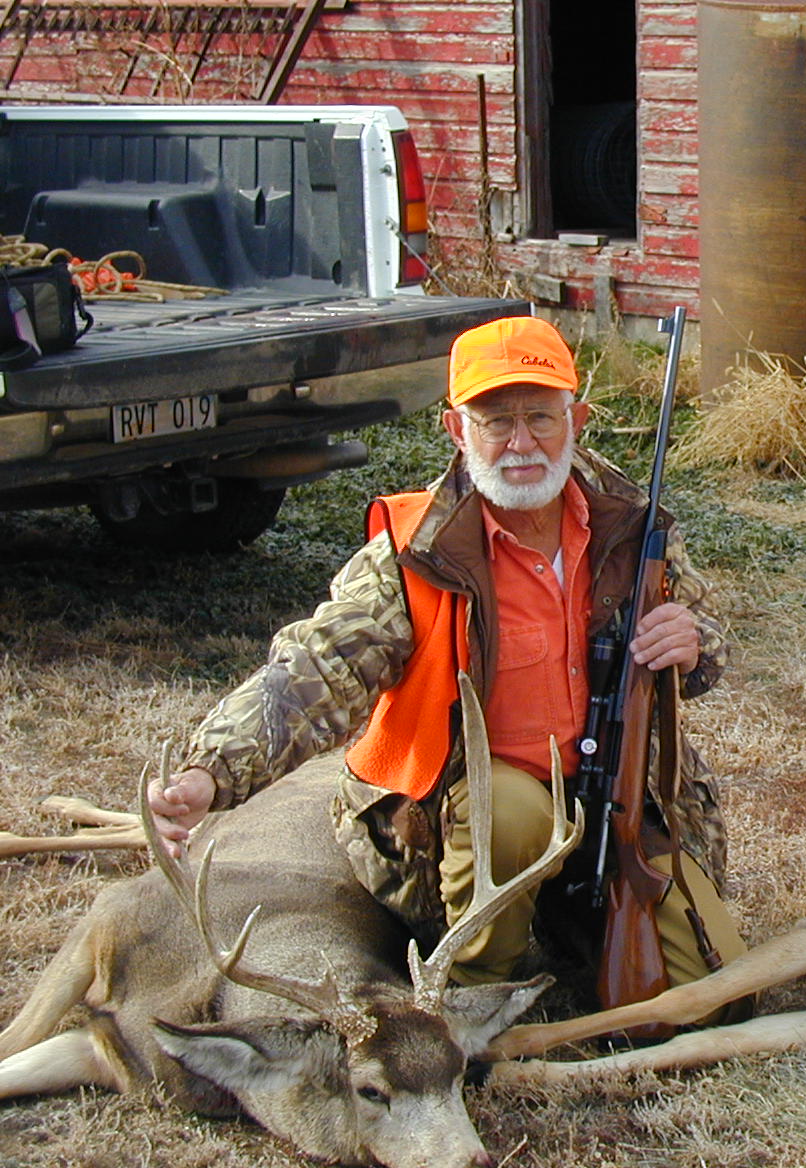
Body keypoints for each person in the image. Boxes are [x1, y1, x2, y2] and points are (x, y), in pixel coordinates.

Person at [147, 315, 745, 994]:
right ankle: (475, 987)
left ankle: (580, 923)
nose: (522, 443)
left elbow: (705, 636)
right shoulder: (415, 553)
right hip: (475, 814)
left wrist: (693, 643)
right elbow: (312, 668)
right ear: (458, 431)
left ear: (576, 418)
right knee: (513, 814)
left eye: (540, 418)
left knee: (713, 996)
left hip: (613, 798)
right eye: (495, 421)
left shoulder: (633, 526)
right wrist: (211, 770)